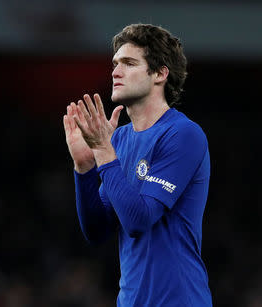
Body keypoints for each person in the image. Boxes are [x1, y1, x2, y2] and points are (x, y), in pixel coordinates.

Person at [63, 24, 212, 306]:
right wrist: (84, 168)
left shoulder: (183, 134)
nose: (115, 71)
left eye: (129, 63)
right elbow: (97, 231)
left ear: (159, 73)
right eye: (115, 64)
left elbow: (139, 220)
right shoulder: (118, 139)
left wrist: (104, 151)